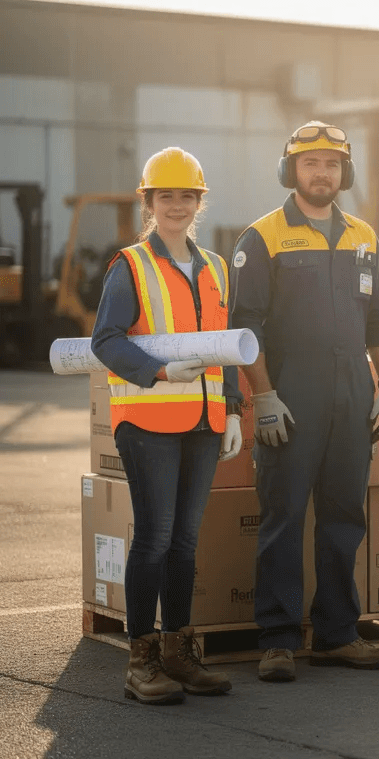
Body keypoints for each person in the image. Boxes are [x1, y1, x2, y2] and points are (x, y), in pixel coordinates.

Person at [231, 121, 379, 682]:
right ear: (291, 170)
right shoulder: (263, 237)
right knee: (283, 516)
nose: (321, 172)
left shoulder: (364, 238)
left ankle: (336, 634)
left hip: (353, 394)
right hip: (291, 395)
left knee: (344, 516)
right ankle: (277, 640)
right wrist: (266, 397)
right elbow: (245, 325)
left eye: (331, 163)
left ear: (343, 171)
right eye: (310, 163)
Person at [92, 147, 242, 703]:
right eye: (165, 196)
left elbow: (221, 346)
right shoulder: (129, 266)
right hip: (149, 421)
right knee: (154, 538)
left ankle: (179, 653)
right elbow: (105, 340)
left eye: (186, 196)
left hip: (203, 422)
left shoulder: (216, 267)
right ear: (149, 202)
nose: (176, 206)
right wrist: (156, 371)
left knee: (184, 541)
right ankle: (141, 660)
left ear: (198, 202)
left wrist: (229, 409)